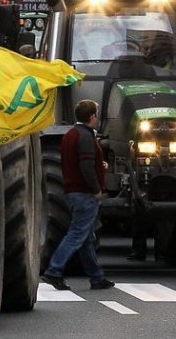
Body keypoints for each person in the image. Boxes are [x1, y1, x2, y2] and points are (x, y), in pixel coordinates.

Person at [41, 100, 115, 291]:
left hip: (72, 191)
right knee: (76, 234)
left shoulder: (70, 134)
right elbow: (86, 165)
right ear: (92, 117)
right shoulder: (85, 136)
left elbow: (78, 162)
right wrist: (96, 189)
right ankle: (54, 270)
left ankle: (97, 277)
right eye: (96, 114)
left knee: (87, 237)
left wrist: (100, 166)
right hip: (84, 193)